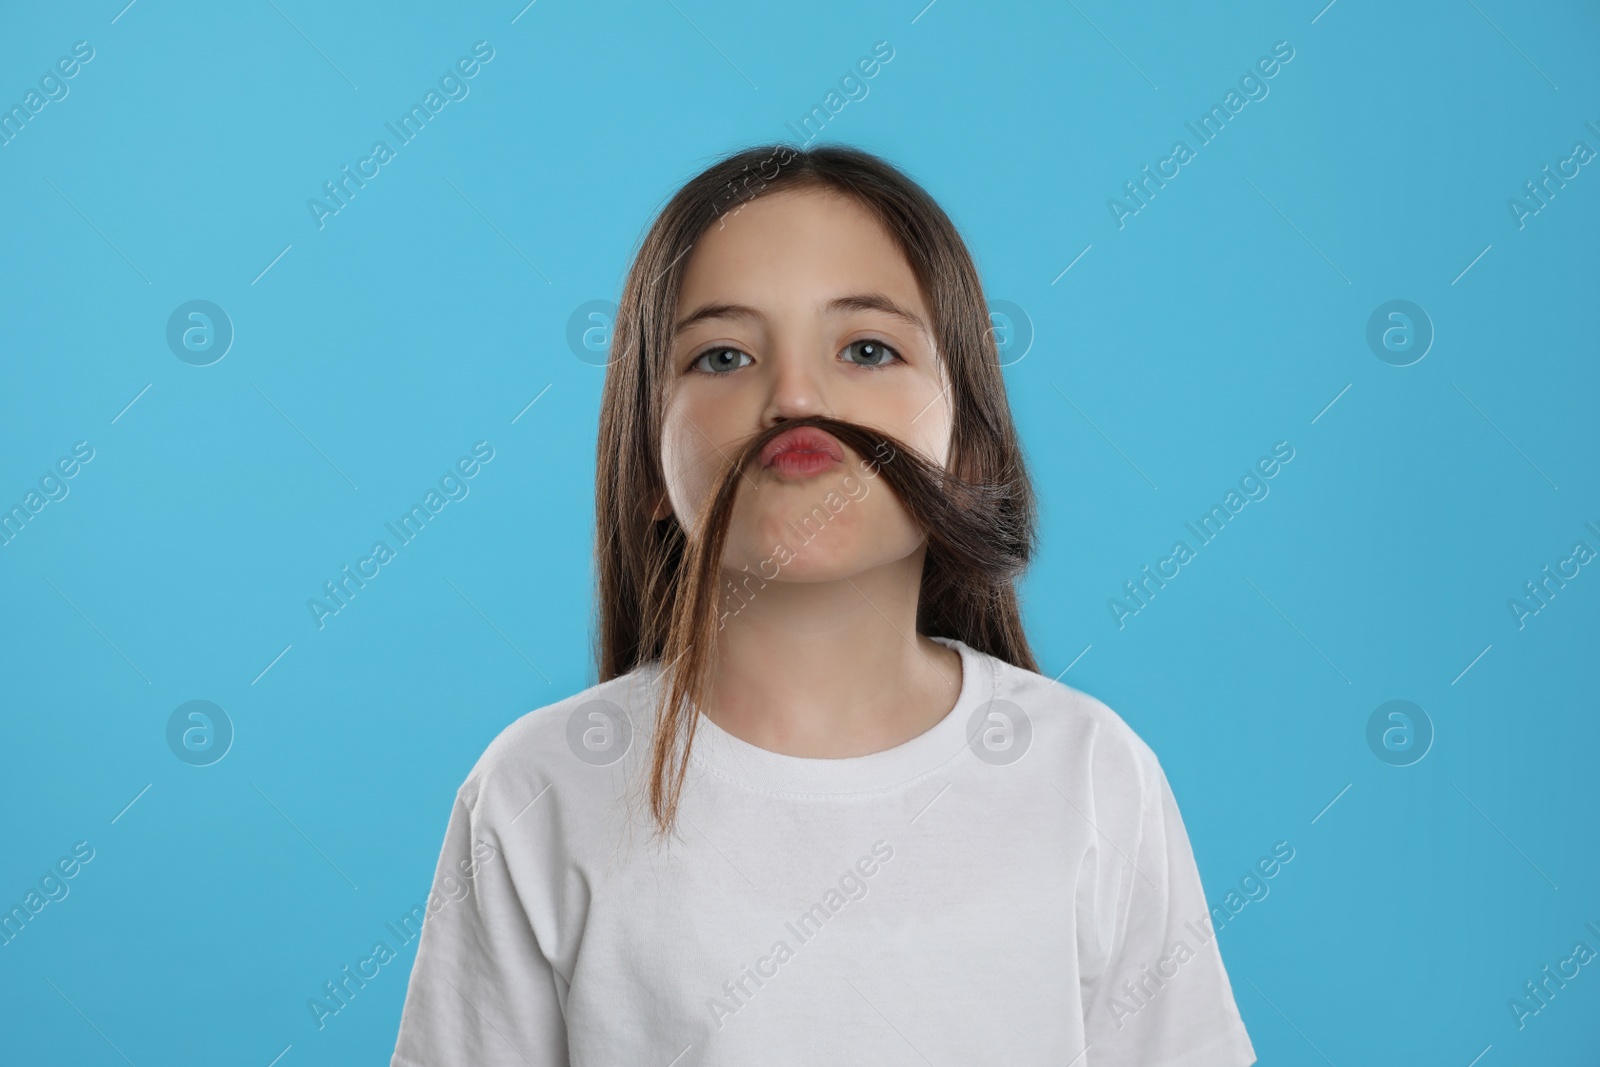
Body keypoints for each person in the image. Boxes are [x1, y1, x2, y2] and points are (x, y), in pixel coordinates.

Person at [389, 143, 1256, 1067]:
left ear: (967, 442)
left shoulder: (1090, 775)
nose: (796, 396)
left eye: (868, 349)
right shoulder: (537, 789)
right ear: (645, 463)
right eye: (722, 354)